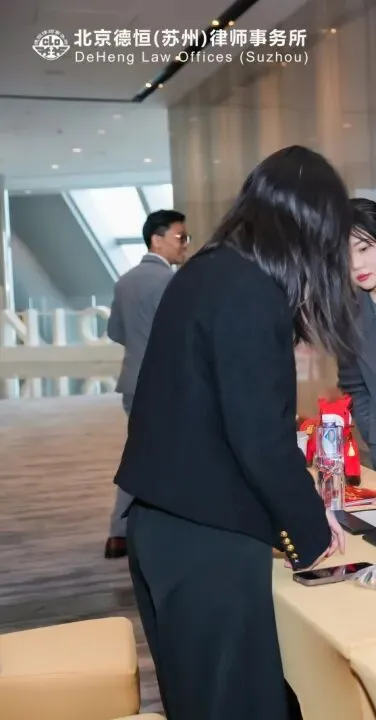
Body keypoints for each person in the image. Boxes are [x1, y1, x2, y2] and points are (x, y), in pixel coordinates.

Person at [113, 146, 354, 720]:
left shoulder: (207, 270)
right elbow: (260, 437)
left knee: (199, 700)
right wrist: (311, 532)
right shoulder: (249, 290)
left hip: (164, 525)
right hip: (205, 542)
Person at [103, 209, 189, 559]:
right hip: (164, 385)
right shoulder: (171, 282)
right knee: (165, 455)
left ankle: (121, 532)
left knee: (142, 452)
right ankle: (141, 531)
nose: (185, 244)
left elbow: (114, 332)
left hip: (132, 382)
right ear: (157, 239)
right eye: (181, 237)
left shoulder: (124, 281)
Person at [336, 198, 376, 475]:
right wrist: (374, 430)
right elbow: (353, 385)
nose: (356, 265)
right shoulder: (348, 316)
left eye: (364, 248)